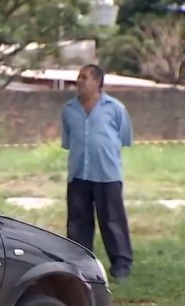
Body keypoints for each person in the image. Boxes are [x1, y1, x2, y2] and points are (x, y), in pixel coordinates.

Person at [61, 64, 134, 282]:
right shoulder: (68, 110)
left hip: (107, 175)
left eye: (84, 77)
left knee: (112, 221)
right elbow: (68, 141)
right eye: (79, 77)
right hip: (78, 175)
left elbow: (124, 138)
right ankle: (80, 264)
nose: (79, 81)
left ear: (97, 82)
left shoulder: (115, 108)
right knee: (78, 223)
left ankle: (121, 264)